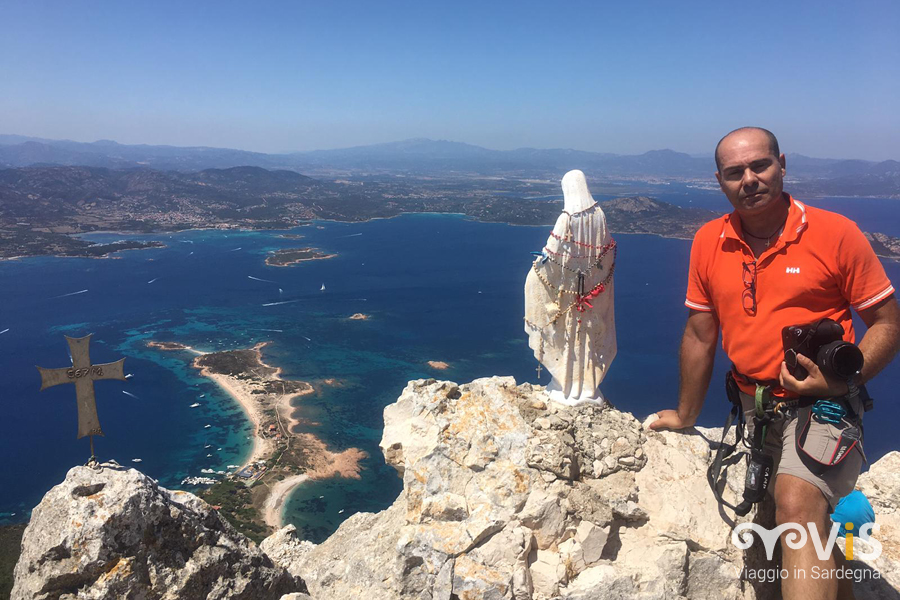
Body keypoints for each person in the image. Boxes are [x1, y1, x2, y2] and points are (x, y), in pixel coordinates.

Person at [649, 127, 900, 600]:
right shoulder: (708, 240)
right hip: (755, 407)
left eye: (759, 166)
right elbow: (701, 334)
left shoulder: (835, 233)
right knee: (785, 526)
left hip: (825, 405)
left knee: (797, 506)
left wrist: (841, 381)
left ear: (782, 164)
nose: (749, 179)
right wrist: (685, 414)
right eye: (734, 172)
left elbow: (888, 322)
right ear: (719, 181)